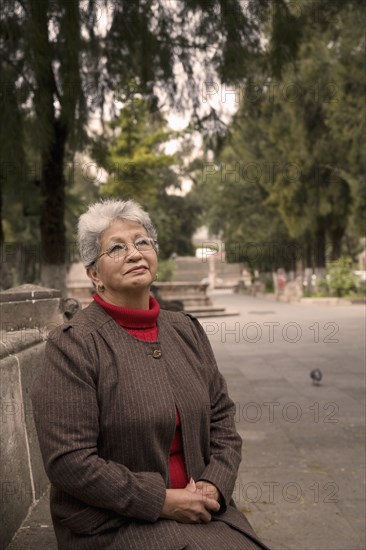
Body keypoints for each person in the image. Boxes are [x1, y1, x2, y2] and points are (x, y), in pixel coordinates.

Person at [31, 199, 271, 550]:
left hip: (203, 509)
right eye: (116, 247)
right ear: (94, 274)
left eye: (142, 242)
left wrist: (213, 485)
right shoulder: (73, 346)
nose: (134, 253)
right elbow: (70, 461)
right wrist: (163, 501)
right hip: (113, 523)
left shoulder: (185, 330)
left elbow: (222, 421)